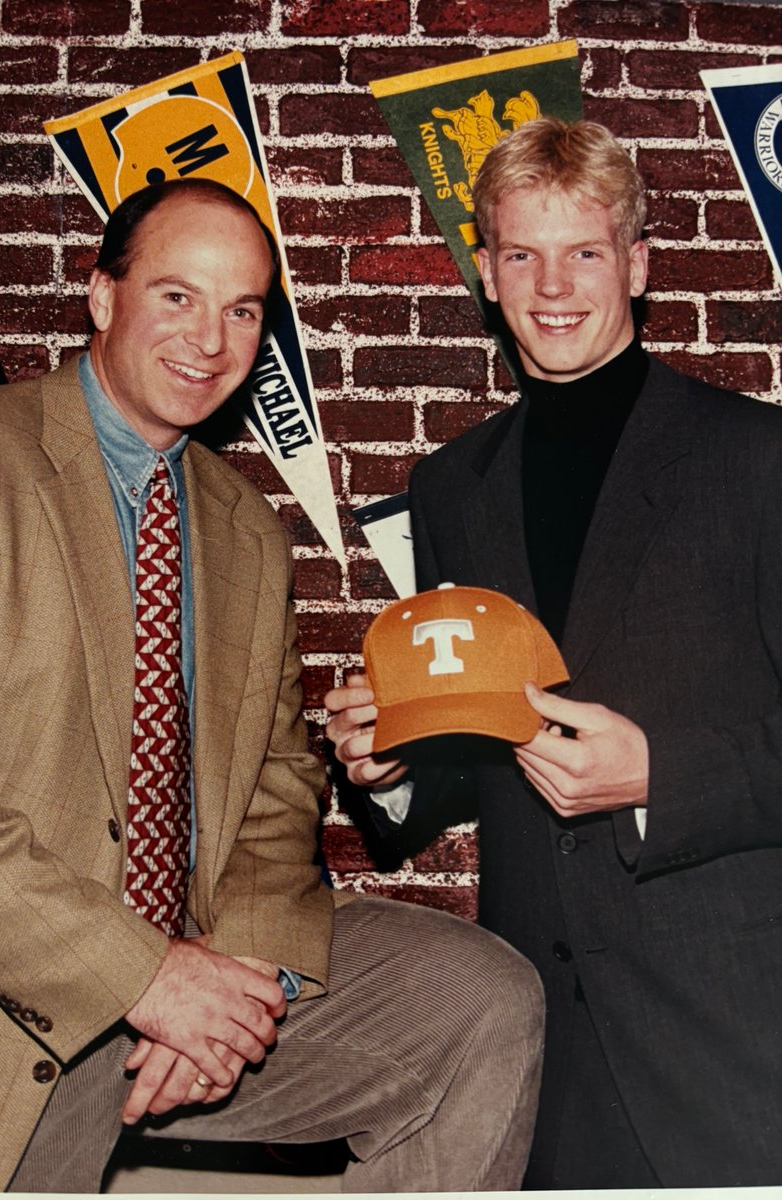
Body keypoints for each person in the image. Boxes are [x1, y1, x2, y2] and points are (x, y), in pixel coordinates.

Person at [0, 177, 544, 1193]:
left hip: (183, 967)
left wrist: (242, 981)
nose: (210, 337)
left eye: (243, 309)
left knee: (478, 999)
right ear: (102, 296)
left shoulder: (244, 529)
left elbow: (278, 787)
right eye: (178, 295)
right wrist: (141, 975)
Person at [326, 117, 782, 1189]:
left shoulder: (761, 461)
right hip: (540, 1045)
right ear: (485, 273)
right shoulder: (451, 488)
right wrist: (395, 766)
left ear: (638, 261)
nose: (554, 284)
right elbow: (476, 755)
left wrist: (659, 781)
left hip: (736, 1041)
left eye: (585, 250)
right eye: (522, 253)